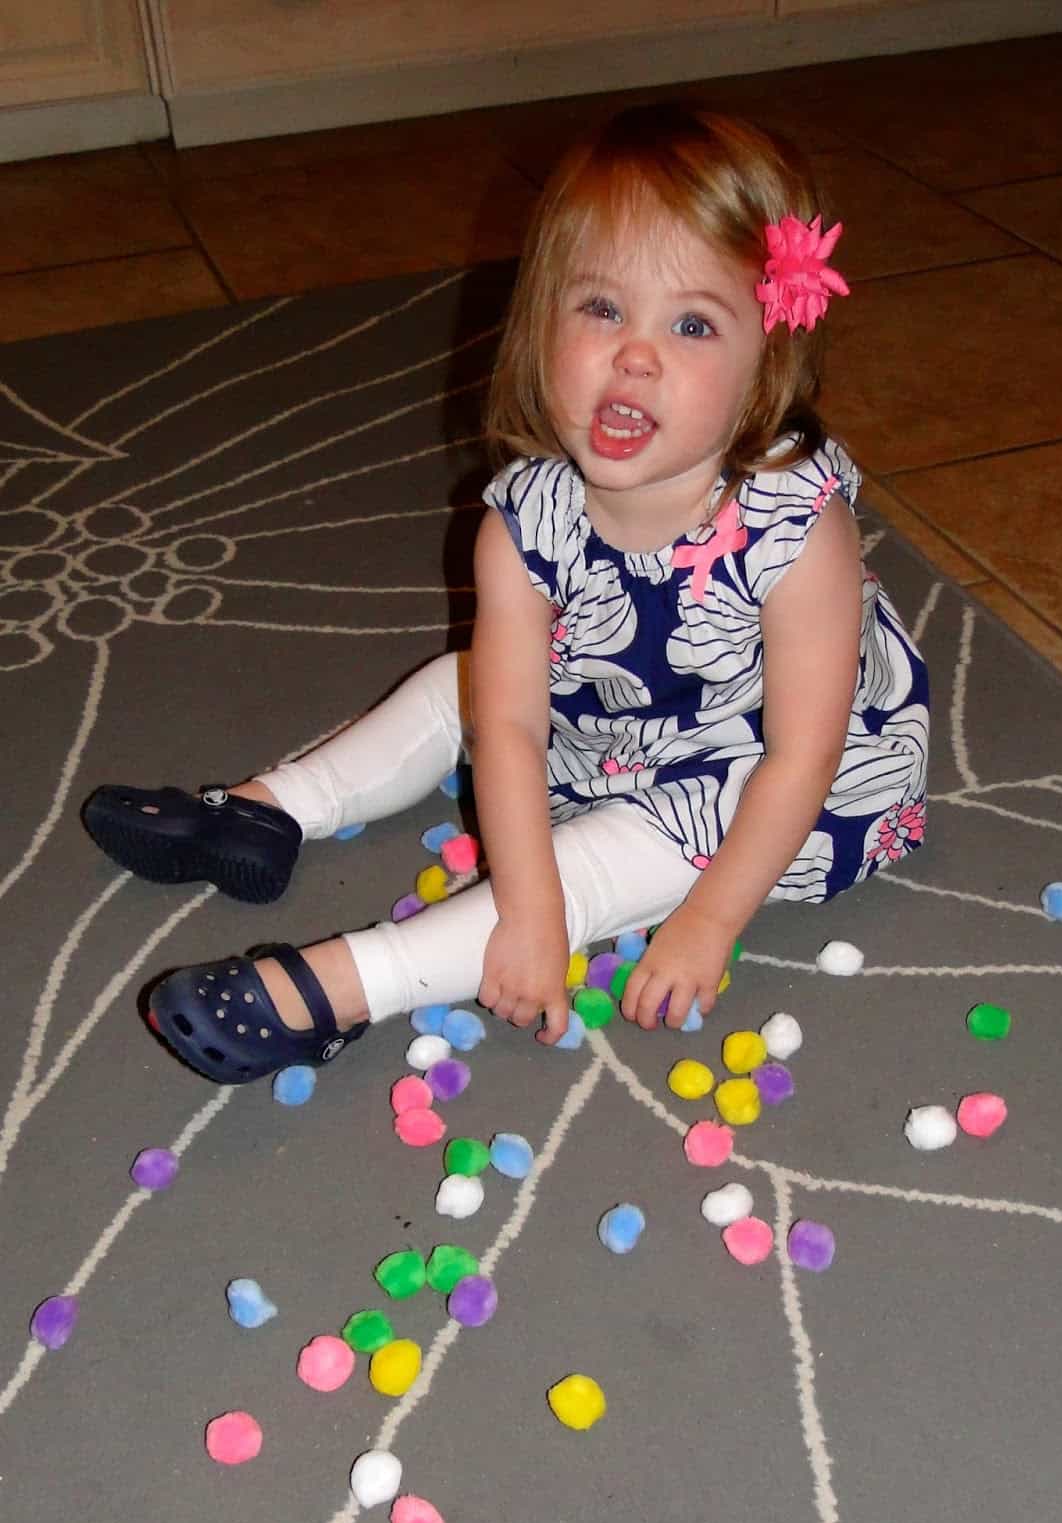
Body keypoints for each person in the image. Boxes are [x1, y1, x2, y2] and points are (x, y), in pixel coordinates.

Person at [81, 102, 929, 1087]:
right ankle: (266, 811)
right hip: (620, 720)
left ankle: (339, 985)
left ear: (763, 365)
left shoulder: (797, 531)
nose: (635, 354)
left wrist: (704, 919)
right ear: (541, 322)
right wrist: (524, 911)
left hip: (772, 778)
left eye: (691, 323)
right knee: (471, 680)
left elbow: (801, 756)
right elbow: (510, 730)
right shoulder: (524, 522)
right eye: (601, 308)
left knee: (629, 848)